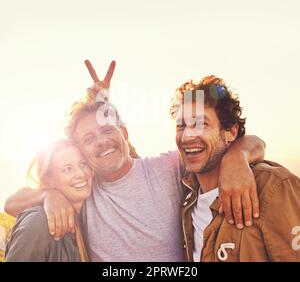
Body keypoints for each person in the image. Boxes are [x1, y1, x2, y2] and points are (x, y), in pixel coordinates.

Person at [4, 61, 266, 261]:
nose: (101, 141)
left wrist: (238, 156)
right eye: (89, 139)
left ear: (125, 133)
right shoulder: (85, 189)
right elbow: (11, 203)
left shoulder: (166, 168)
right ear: (80, 151)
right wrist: (49, 196)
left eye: (108, 130)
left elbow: (248, 142)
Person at [171, 75, 300, 262]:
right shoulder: (184, 191)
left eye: (201, 124)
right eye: (181, 126)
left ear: (230, 132)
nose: (187, 137)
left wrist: (238, 156)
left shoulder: (272, 187)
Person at [5, 140, 91, 262]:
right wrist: (48, 194)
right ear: (49, 179)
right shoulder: (38, 223)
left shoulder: (88, 213)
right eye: (67, 169)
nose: (81, 174)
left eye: (83, 164)